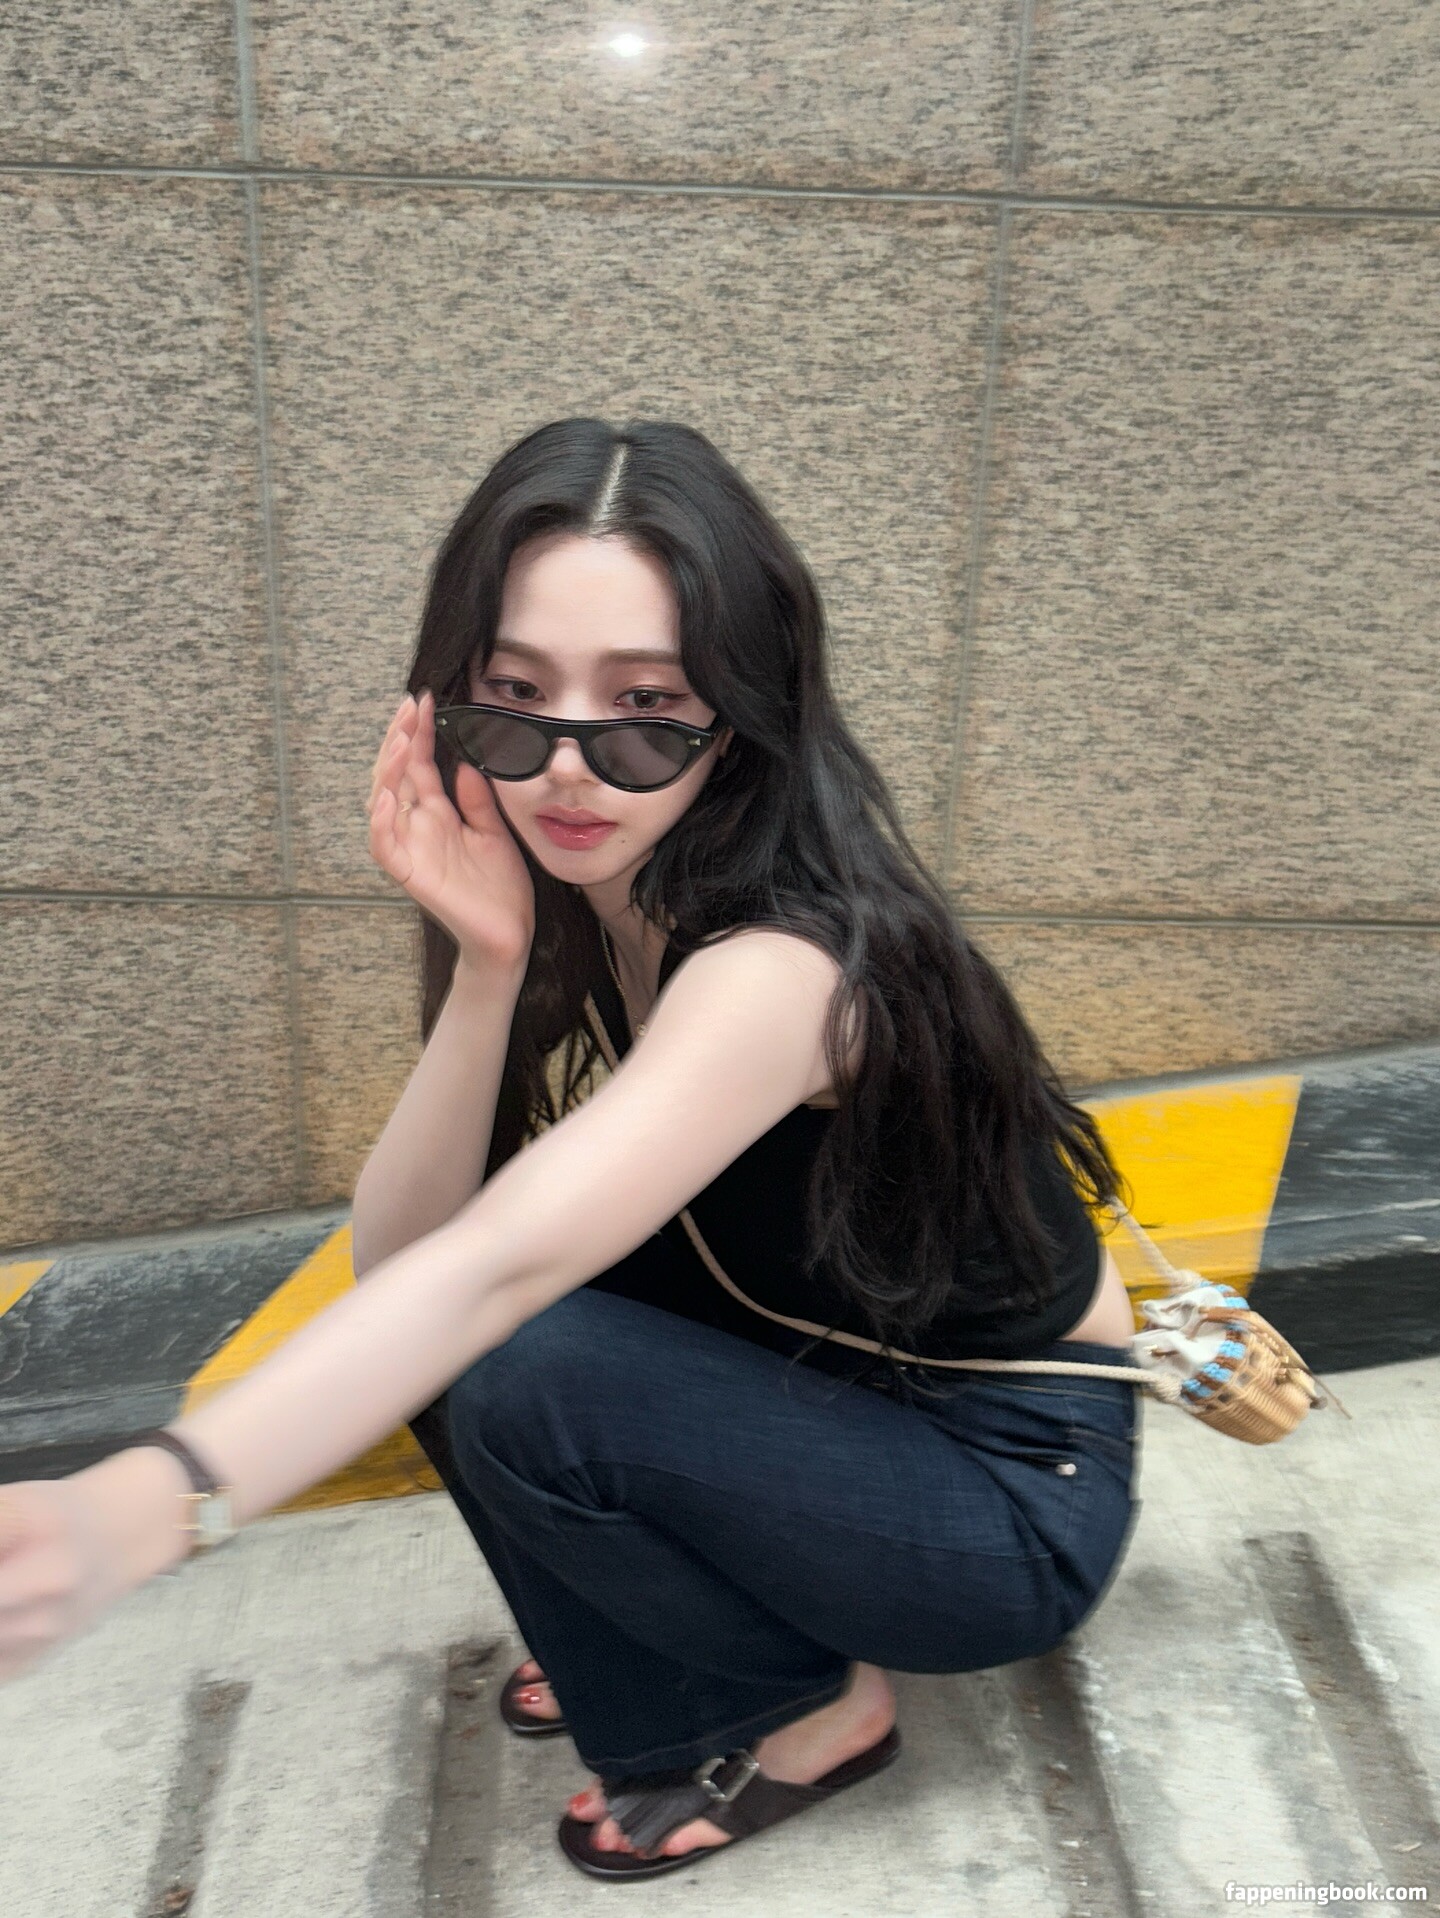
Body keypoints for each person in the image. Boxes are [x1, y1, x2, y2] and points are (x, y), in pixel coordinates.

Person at [0, 417, 1144, 1883]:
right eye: (514, 700)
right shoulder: (620, 892)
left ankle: (811, 1708)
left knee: (521, 1358)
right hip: (851, 1378)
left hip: (1007, 1497)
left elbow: (487, 1273)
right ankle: (666, 1637)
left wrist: (143, 1508)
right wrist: (488, 969)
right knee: (459, 1338)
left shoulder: (785, 966)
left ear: (746, 709)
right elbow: (405, 1261)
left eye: (647, 707)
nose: (567, 767)